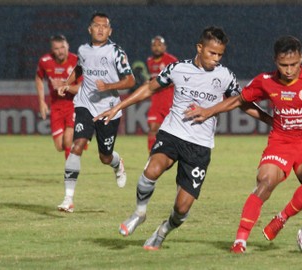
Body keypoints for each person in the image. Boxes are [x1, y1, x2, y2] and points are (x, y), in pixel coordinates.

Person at [93, 26, 272, 250]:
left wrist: (270, 120)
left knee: (182, 207)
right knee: (152, 169)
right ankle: (139, 213)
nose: (215, 59)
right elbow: (149, 88)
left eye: (220, 55)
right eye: (211, 53)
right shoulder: (177, 69)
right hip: (172, 133)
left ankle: (163, 231)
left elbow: (242, 103)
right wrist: (118, 106)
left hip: (200, 146)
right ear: (199, 48)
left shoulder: (225, 76)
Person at [184, 35, 302, 253]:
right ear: (275, 61)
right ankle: (240, 241)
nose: (289, 70)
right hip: (281, 141)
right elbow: (239, 100)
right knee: (265, 181)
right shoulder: (265, 81)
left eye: (294, 64)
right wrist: (207, 111)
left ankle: (282, 218)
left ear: (301, 59)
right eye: (283, 65)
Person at [56, 12, 136, 213]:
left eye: (105, 26)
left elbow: (130, 81)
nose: (100, 29)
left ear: (110, 31)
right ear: (89, 29)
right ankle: (68, 199)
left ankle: (117, 164)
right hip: (85, 104)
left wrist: (108, 85)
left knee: (105, 157)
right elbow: (80, 68)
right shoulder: (83, 50)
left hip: (109, 109)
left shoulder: (116, 52)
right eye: (97, 25)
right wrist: (67, 82)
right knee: (77, 145)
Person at [35, 34, 82, 160]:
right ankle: (80, 140)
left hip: (73, 104)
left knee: (67, 141)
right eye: (56, 49)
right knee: (59, 146)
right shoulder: (45, 62)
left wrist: (65, 86)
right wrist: (41, 101)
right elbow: (39, 77)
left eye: (62, 47)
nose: (60, 51)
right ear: (52, 50)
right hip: (56, 106)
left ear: (68, 46)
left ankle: (70, 174)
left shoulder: (76, 62)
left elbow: (82, 88)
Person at [145, 36, 178, 152]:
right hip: (155, 102)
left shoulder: (171, 60)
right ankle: (152, 155)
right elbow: (153, 78)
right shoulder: (149, 61)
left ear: (164, 47)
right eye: (154, 45)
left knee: (173, 132)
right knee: (153, 128)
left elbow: (176, 80)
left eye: (159, 45)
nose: (157, 48)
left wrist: (160, 84)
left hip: (169, 101)